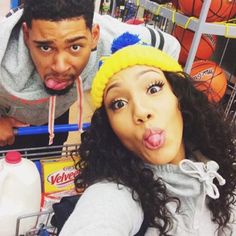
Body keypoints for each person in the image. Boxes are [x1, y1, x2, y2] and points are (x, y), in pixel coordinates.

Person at [59, 33, 236, 235]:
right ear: (110, 129)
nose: (141, 112)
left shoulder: (222, 174)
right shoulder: (115, 195)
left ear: (179, 97)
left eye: (153, 88)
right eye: (119, 104)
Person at [0, 0, 180, 153]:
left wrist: (135, 106)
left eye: (75, 47)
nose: (60, 67)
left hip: (56, 119)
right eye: (45, 48)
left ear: (94, 36)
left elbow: (170, 47)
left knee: (49, 163)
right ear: (26, 35)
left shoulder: (111, 38)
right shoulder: (4, 51)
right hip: (8, 128)